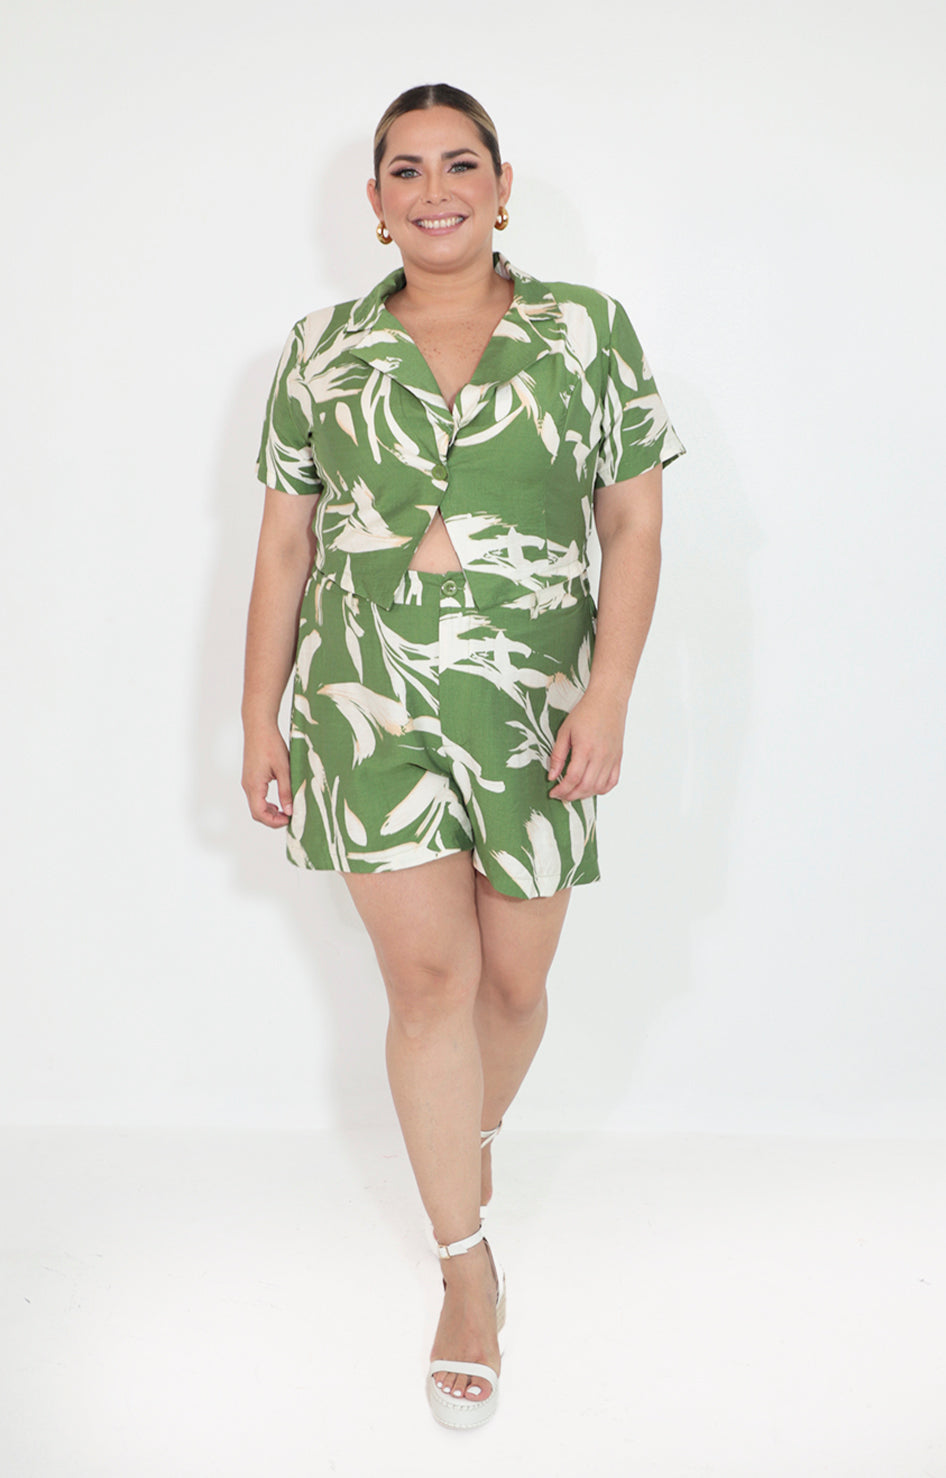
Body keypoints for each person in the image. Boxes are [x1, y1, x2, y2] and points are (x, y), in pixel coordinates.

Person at [241, 81, 685, 1429]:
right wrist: (257, 715)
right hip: (361, 695)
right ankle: (464, 1266)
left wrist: (608, 694)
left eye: (458, 163)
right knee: (428, 982)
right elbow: (282, 544)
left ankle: (464, 1137)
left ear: (501, 185)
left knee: (514, 981)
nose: (432, 188)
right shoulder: (321, 349)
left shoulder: (584, 330)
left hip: (531, 702)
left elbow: (634, 523)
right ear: (375, 205)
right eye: (404, 170)